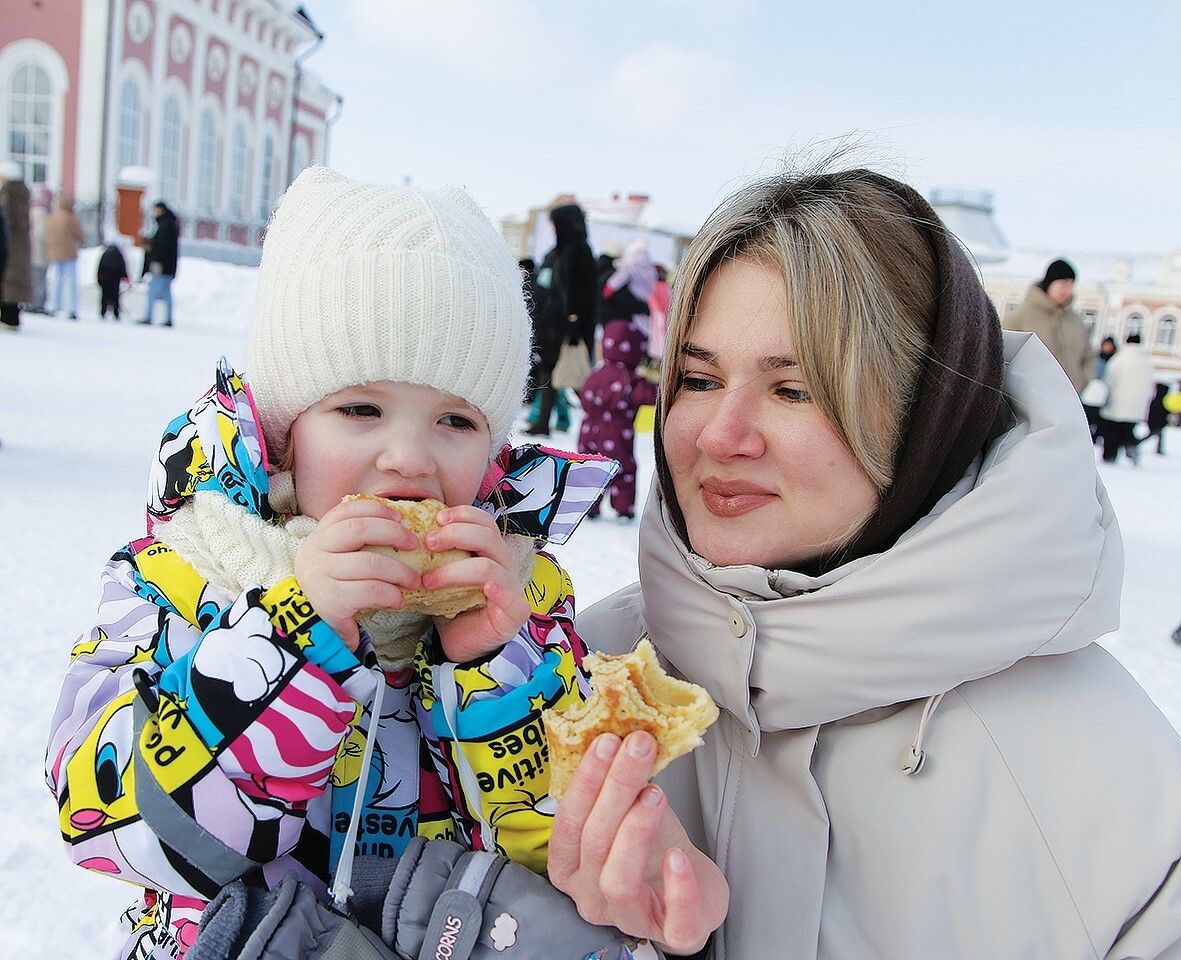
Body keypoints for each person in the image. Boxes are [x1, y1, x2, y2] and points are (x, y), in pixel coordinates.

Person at [548, 167, 1181, 958]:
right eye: (699, 379)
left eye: (793, 390)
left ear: (925, 419)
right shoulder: (574, 677)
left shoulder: (1113, 793)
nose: (719, 435)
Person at [45, 167, 620, 960]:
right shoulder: (181, 573)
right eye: (360, 409)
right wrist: (289, 637)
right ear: (286, 434)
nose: (409, 457)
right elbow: (107, 824)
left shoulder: (527, 596)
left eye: (455, 421)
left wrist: (500, 669)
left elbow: (569, 851)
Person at [526, 203, 597, 437]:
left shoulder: (578, 250)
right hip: (555, 323)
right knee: (550, 373)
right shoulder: (563, 249)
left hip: (567, 326)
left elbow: (581, 291)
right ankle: (542, 422)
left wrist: (574, 321)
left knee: (572, 375)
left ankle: (597, 422)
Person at [577, 317, 656, 522]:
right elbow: (648, 396)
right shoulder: (630, 378)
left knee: (591, 468)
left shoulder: (596, 373)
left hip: (588, 431)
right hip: (617, 432)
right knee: (623, 469)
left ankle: (589, 506)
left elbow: (583, 394)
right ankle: (623, 508)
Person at [1002, 257, 1094, 393]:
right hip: (1028, 396)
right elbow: (1004, 354)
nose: (1067, 291)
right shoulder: (1020, 316)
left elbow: (1089, 356)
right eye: (1063, 285)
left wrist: (1082, 381)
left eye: (1071, 286)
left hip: (1068, 395)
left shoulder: (1076, 322)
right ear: (1049, 283)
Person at [1100, 332, 1156, 465]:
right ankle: (1130, 445)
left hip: (1117, 402)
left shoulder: (1119, 358)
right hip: (1136, 405)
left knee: (1112, 431)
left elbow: (1109, 378)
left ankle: (1110, 455)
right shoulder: (1146, 361)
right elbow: (1151, 384)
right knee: (1127, 429)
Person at [0, 160, 32, 331]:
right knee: (14, 282)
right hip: (19, 246)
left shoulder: (8, 193)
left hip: (8, 245)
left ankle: (8, 318)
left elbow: (6, 220)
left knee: (8, 281)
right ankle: (12, 317)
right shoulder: (22, 192)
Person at [45, 192, 86, 319]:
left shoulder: (53, 217)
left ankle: (54, 306)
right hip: (69, 253)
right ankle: (72, 308)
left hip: (55, 252)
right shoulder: (70, 218)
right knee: (71, 281)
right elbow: (80, 235)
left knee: (57, 280)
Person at [138, 200, 179, 326]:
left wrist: (152, 252)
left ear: (161, 210)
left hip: (160, 264)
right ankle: (168, 318)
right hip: (169, 265)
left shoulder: (165, 226)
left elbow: (161, 247)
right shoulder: (170, 224)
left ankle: (148, 316)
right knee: (166, 293)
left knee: (152, 290)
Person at [1081, 335, 1118, 441]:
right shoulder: (1096, 358)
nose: (1107, 348)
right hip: (1091, 393)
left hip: (1103, 395)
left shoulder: (1114, 360)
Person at [96, 232, 130, 320]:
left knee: (104, 295)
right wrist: (125, 277)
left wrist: (99, 278)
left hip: (105, 278)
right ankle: (116, 312)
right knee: (115, 296)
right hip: (115, 279)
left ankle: (103, 311)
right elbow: (122, 266)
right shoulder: (119, 254)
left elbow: (100, 267)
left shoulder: (105, 254)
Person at [1143, 381, 1169, 455]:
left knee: (1158, 435)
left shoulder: (1156, 400)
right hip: (1156, 423)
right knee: (1153, 435)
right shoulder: (1160, 401)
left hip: (1156, 423)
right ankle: (1135, 443)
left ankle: (1159, 449)